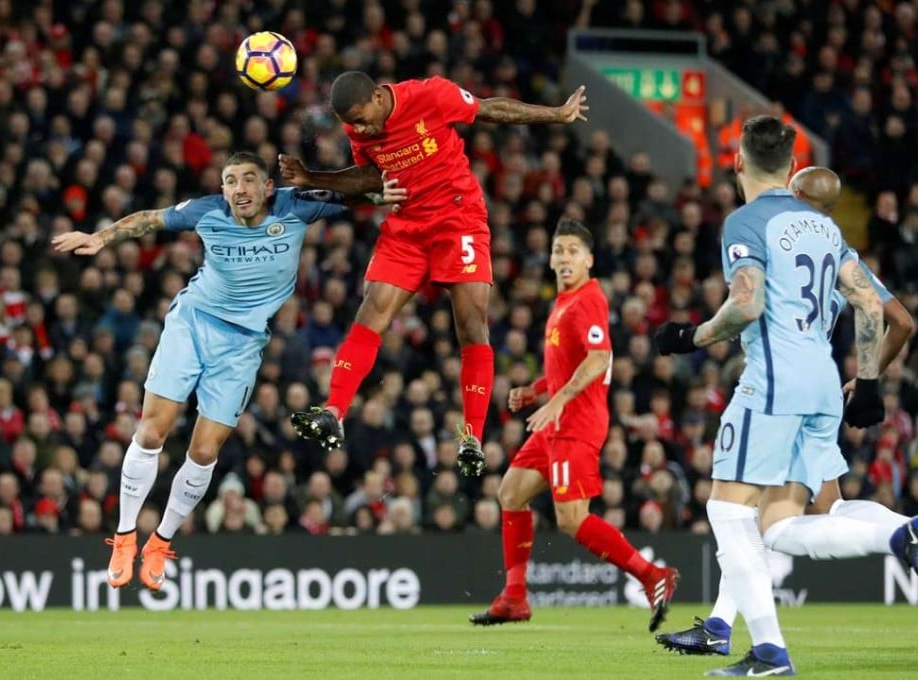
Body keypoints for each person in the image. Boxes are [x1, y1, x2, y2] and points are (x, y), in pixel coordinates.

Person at [52, 152, 401, 591]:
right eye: (231, 181)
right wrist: (101, 238)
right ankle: (124, 535)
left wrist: (382, 192)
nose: (239, 188)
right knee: (152, 432)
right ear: (223, 190)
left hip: (242, 346)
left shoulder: (296, 206)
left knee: (203, 453)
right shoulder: (208, 211)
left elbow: (356, 192)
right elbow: (149, 219)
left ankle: (160, 541)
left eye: (249, 179)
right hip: (193, 324)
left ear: (267, 187)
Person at [654, 117, 887, 677]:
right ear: (790, 166)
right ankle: (901, 531)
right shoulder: (827, 230)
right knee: (778, 525)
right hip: (824, 382)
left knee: (727, 511)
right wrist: (872, 381)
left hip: (776, 382)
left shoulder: (746, 221)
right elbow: (873, 308)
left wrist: (690, 336)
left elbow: (747, 303)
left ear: (737, 162)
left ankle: (767, 652)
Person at [278, 70, 589, 476]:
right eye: (352, 124)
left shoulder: (431, 96)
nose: (359, 128)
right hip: (407, 227)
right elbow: (372, 175)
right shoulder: (359, 125)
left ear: (377, 95)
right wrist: (311, 176)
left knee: (472, 324)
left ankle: (471, 437)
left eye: (361, 119)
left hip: (458, 218)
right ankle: (334, 410)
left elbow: (491, 109)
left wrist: (556, 115)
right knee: (372, 310)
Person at [469, 218, 679, 631]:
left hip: (577, 423)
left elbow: (599, 359)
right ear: (550, 259)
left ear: (589, 260)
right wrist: (537, 389)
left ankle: (653, 576)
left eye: (572, 251)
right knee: (510, 492)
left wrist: (558, 400)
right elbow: (571, 363)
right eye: (558, 250)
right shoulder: (564, 301)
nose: (564, 257)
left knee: (570, 519)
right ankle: (514, 597)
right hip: (555, 420)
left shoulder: (588, 300)